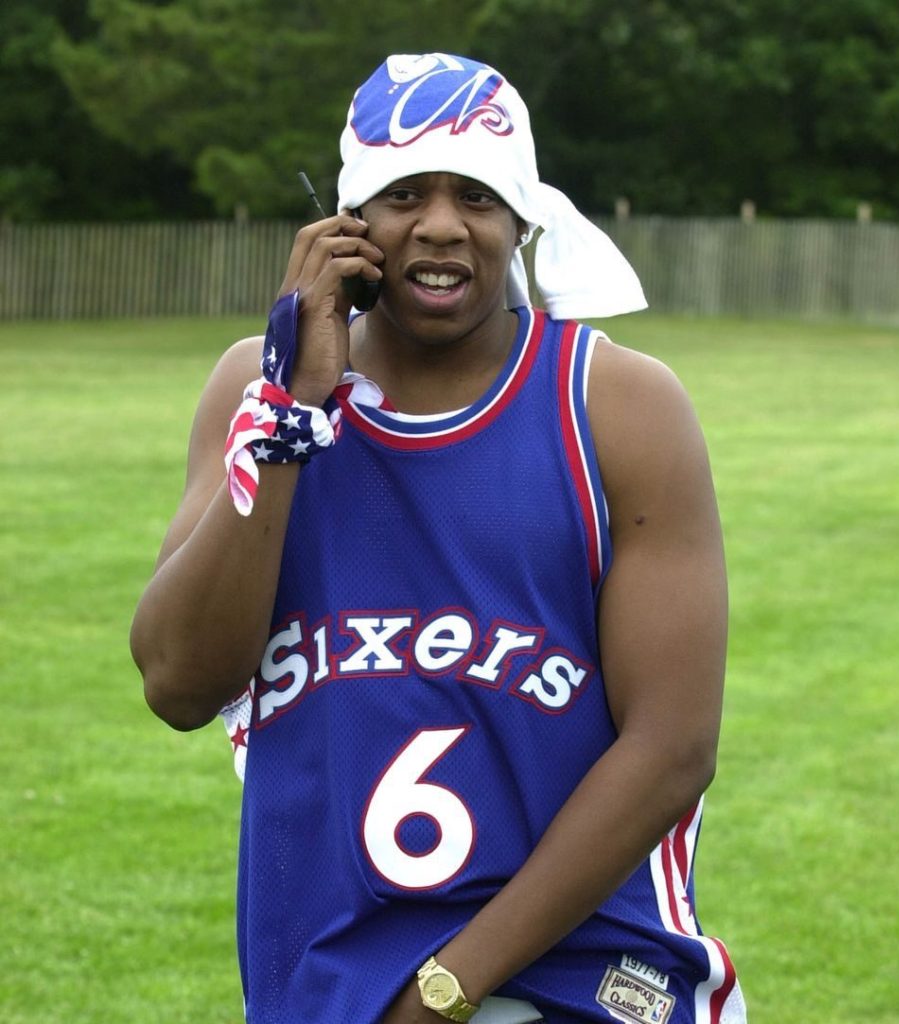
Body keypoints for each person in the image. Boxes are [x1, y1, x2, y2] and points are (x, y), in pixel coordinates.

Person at [131, 52, 747, 1024]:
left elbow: (672, 745)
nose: (444, 222)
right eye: (403, 192)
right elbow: (178, 679)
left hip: (573, 975)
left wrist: (444, 991)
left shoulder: (618, 406)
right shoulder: (260, 391)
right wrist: (292, 410)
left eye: (478, 195)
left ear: (521, 220)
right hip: (326, 982)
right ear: (348, 223)